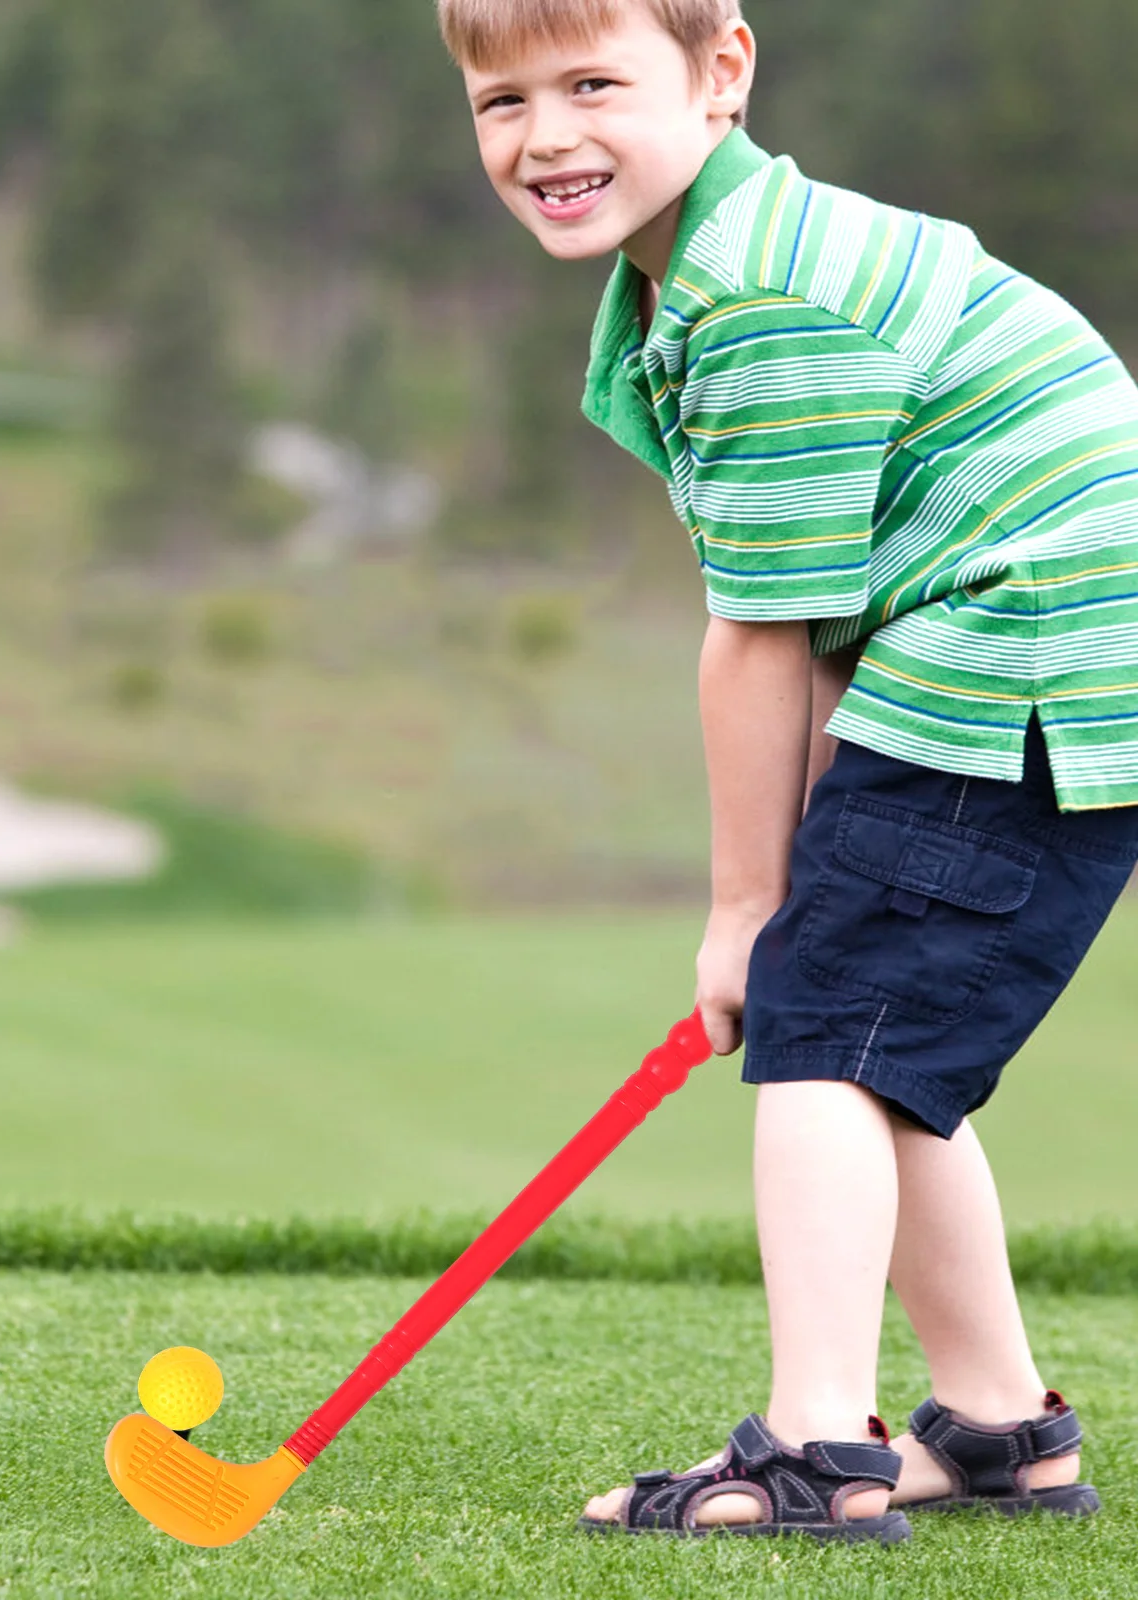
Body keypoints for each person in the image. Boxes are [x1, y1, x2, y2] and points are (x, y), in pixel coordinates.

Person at [438, 0, 1138, 1543]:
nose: (546, 136)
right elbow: (822, 618)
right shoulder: (714, 266)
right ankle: (1003, 1427)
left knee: (823, 1027)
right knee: (882, 1034)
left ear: (723, 72)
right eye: (503, 101)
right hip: (1012, 661)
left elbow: (760, 639)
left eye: (594, 84)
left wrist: (750, 906)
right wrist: (804, 887)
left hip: (1022, 661)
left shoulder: (760, 299)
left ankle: (819, 1453)